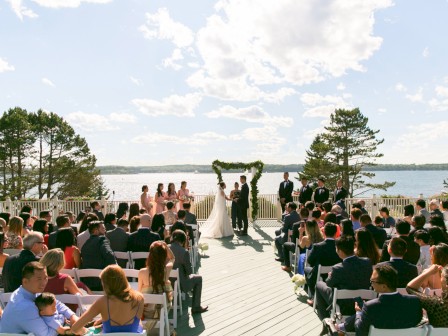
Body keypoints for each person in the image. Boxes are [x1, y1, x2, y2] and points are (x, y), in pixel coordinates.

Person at [336, 264, 422, 335]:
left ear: (384, 286)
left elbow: (360, 332)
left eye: (373, 281)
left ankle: (340, 327)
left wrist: (359, 313)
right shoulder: (414, 302)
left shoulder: (370, 307)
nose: (371, 284)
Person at [0, 261, 80, 335]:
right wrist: (62, 318)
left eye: (45, 278)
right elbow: (47, 334)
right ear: (25, 281)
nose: (44, 283)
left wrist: (72, 316)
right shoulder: (24, 306)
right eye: (39, 279)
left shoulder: (26, 291)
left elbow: (57, 304)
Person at [71, 264, 144, 334]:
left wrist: (86, 331)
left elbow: (75, 328)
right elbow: (136, 322)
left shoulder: (102, 302)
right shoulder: (139, 298)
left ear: (106, 284)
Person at [314, 235, 372, 319]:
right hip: (362, 302)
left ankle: (325, 319)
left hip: (345, 305)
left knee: (319, 284)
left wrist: (330, 276)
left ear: (340, 251)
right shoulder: (367, 262)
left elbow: (329, 283)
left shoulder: (337, 268)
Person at [138, 241, 175, 329]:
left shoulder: (142, 272)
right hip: (163, 310)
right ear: (163, 257)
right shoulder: (166, 270)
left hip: (147, 312)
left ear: (150, 256)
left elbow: (139, 293)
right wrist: (166, 246)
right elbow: (172, 258)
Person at [170, 230, 208, 314]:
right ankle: (196, 307)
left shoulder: (166, 248)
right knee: (198, 278)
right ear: (183, 240)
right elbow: (189, 272)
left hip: (167, 282)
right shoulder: (184, 252)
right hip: (181, 284)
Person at [304, 223, 342, 304]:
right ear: (336, 233)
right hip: (335, 273)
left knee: (307, 270)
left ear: (324, 232)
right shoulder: (340, 245)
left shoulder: (317, 246)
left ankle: (314, 297)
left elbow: (310, 261)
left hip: (320, 274)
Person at [80, 221, 116, 291]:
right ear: (96, 231)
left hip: (88, 284)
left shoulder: (85, 245)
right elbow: (109, 255)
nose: (105, 231)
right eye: (103, 229)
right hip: (102, 283)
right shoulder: (102, 239)